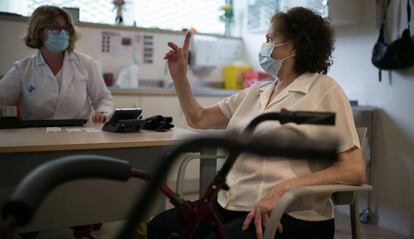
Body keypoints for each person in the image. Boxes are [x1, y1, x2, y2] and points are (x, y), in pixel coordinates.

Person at [148, 7, 365, 239]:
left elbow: (353, 170)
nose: (265, 45)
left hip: (291, 215)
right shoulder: (256, 91)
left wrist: (284, 189)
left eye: (270, 39)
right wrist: (180, 77)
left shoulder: (324, 90)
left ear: (294, 46)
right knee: (160, 227)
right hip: (230, 206)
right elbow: (198, 119)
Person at [0, 5, 113, 123]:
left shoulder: (86, 63)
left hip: (78, 135)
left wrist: (103, 112)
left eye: (66, 28)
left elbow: (103, 98)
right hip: (36, 137)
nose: (63, 33)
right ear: (39, 32)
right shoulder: (22, 69)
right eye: (56, 28)